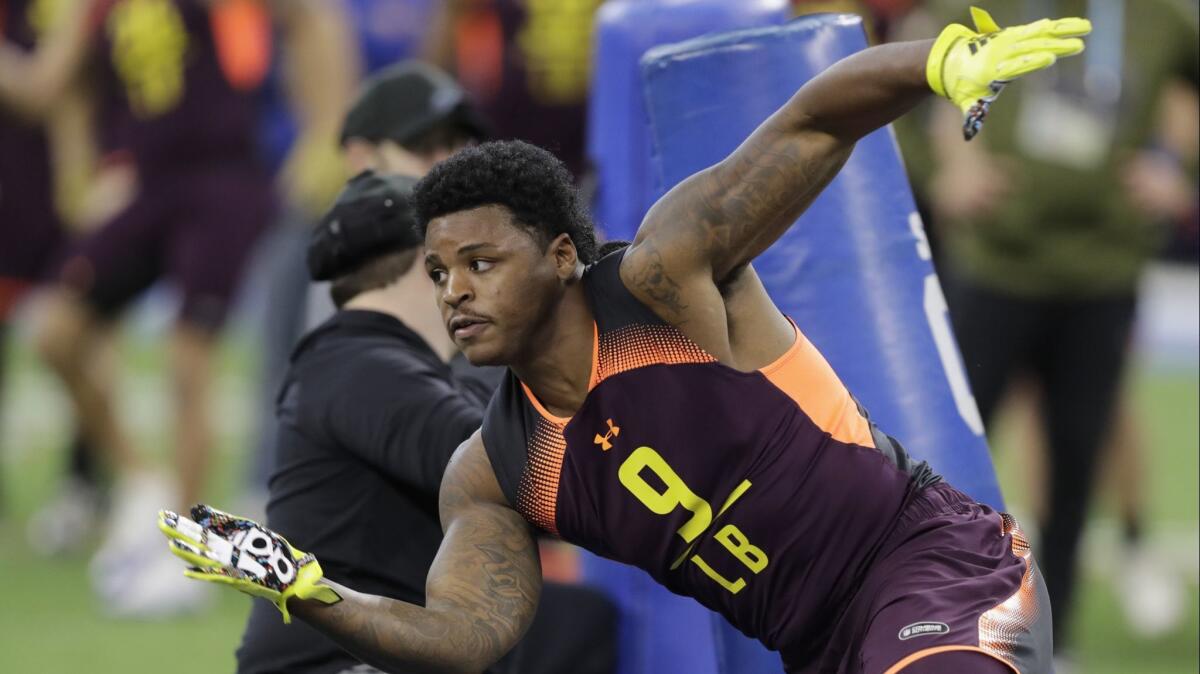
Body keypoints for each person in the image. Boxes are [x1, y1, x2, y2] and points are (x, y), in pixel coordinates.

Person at [160, 9, 1090, 673]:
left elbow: (813, 118)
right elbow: (466, 637)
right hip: (820, 646)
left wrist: (939, 66)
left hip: (936, 572)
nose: (456, 293)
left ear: (562, 253)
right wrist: (313, 592)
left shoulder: (660, 281)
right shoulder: (495, 468)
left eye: (482, 262)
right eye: (441, 273)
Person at [236, 62, 616, 674]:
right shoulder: (360, 361)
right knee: (563, 627)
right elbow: (506, 472)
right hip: (343, 658)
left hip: (373, 638)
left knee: (566, 621)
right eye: (453, 263)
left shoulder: (379, 357)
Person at [911, 0, 1198, 661]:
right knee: (947, 465)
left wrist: (1176, 173)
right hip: (993, 266)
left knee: (1076, 466)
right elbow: (898, 77)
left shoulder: (1157, 16)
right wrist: (941, 173)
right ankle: (927, 630)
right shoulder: (975, 5)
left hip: (1102, 273)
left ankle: (1051, 644)